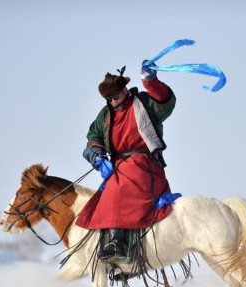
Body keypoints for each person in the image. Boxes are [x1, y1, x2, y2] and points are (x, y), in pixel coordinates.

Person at [75, 62, 177, 261]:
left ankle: (119, 244)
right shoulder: (106, 115)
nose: (112, 101)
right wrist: (96, 155)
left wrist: (151, 82)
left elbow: (165, 102)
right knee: (103, 194)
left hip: (144, 162)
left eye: (115, 96)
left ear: (124, 89)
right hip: (120, 165)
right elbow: (93, 137)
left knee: (116, 188)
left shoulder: (144, 103)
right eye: (108, 99)